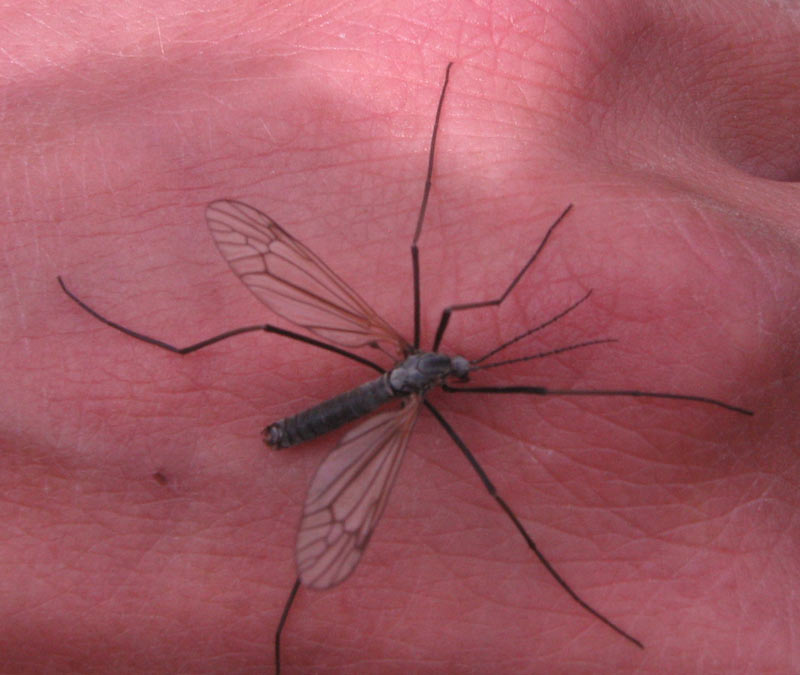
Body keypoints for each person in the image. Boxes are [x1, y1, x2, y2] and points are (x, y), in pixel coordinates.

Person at [2, 1, 796, 672]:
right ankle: (171, 354)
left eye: (448, 366)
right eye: (451, 365)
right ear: (440, 370)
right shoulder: (430, 387)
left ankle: (290, 605)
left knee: (317, 325)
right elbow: (407, 250)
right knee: (441, 464)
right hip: (366, 399)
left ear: (432, 366)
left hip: (373, 385)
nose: (454, 363)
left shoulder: (412, 352)